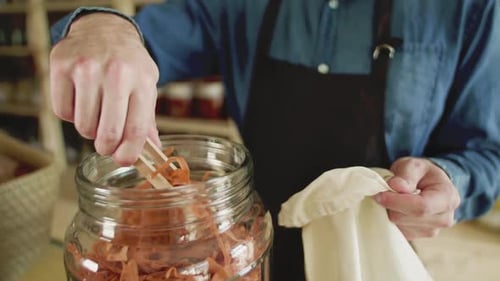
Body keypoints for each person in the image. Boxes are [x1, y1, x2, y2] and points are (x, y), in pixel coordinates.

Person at [49, 0, 500, 279]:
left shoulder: (471, 8)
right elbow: (147, 35)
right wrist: (103, 29)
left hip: (370, 255)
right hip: (245, 241)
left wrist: (450, 179)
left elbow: (487, 152)